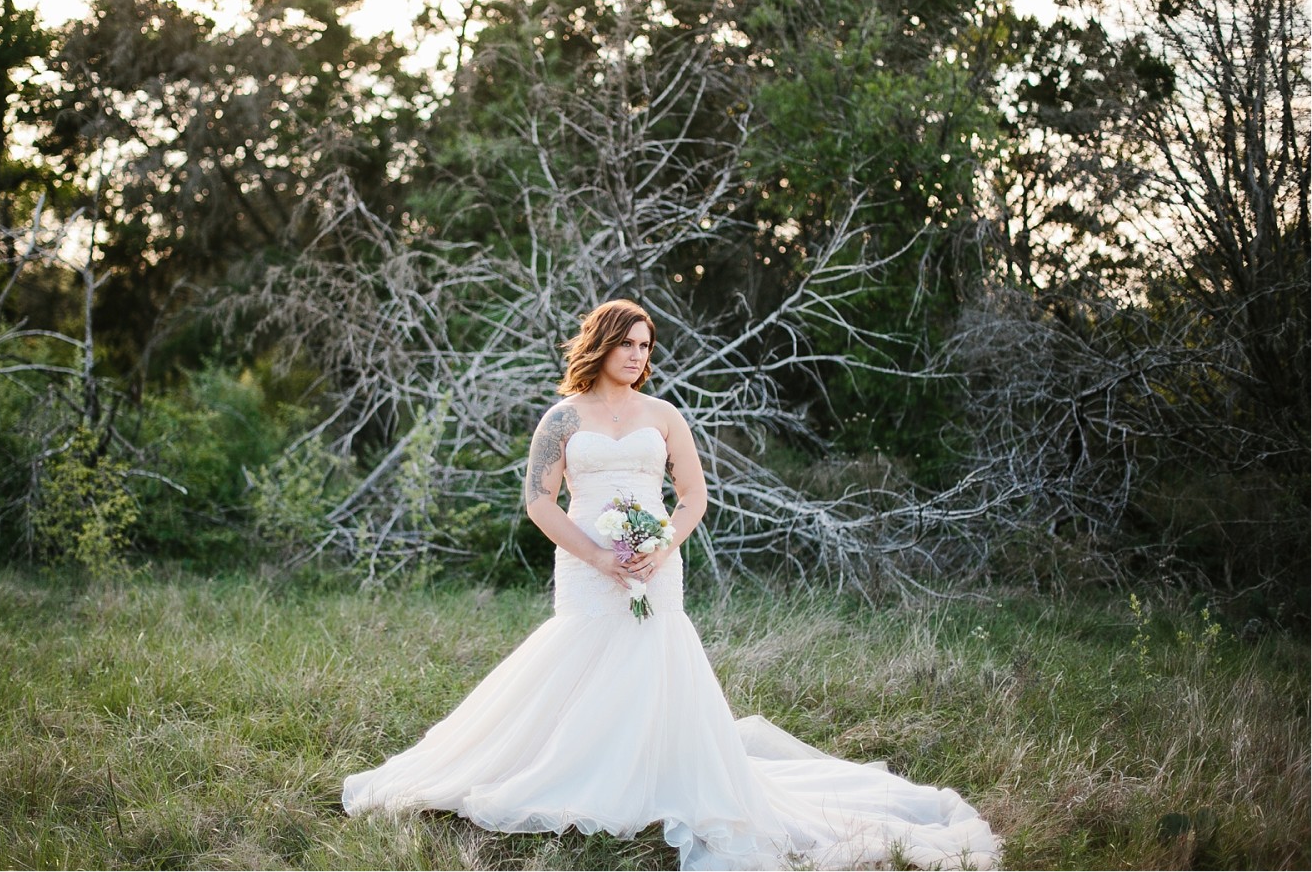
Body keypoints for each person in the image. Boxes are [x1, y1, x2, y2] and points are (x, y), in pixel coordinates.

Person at [343, 299, 1000, 870]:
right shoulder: (563, 420)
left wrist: (660, 543)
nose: (636, 354)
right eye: (626, 343)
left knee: (654, 654)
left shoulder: (664, 414)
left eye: (645, 345)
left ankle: (652, 776)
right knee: (579, 657)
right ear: (600, 345)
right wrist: (599, 556)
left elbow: (693, 494)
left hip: (656, 561)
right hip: (586, 560)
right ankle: (573, 771)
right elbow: (540, 501)